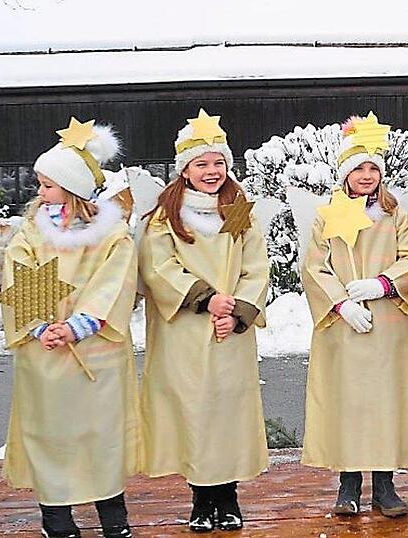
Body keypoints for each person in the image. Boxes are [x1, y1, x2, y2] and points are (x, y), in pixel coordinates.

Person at [0, 119, 138, 537]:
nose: (39, 193)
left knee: (100, 434)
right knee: (50, 431)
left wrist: (80, 324)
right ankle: (56, 516)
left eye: (47, 185)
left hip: (96, 350)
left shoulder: (112, 236)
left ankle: (112, 513)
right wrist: (44, 325)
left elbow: (114, 280)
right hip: (46, 351)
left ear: (72, 189)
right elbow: (18, 272)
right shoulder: (32, 233)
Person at [138, 109, 269, 532]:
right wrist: (206, 300)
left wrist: (239, 311)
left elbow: (255, 265)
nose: (211, 171)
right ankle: (200, 497)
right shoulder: (166, 216)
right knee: (192, 410)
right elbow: (158, 267)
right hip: (186, 329)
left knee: (226, 411)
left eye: (217, 163)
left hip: (230, 330)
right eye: (201, 163)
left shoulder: (237, 211)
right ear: (185, 170)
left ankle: (227, 495)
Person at [301, 113, 408, 518]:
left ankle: (385, 484)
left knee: (386, 401)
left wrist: (383, 284)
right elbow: (315, 266)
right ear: (345, 174)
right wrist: (340, 301)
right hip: (345, 328)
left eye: (374, 167)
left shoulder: (397, 217)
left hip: (388, 325)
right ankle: (349, 483)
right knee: (348, 402)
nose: (367, 175)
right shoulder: (328, 217)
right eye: (359, 168)